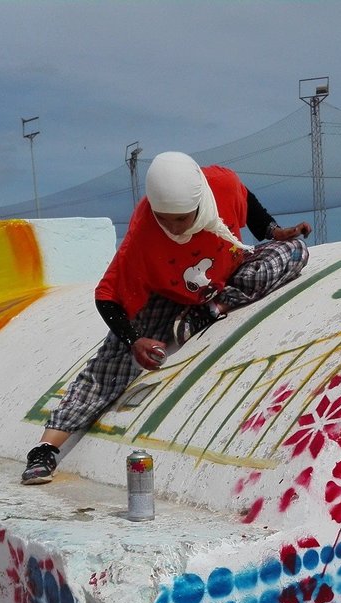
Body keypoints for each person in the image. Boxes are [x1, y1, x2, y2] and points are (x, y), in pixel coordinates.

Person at [20, 151, 312, 485]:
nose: (173, 228)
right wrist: (134, 340)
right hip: (168, 295)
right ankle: (44, 450)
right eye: (165, 218)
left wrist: (274, 232)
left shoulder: (222, 184)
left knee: (295, 252)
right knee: (111, 364)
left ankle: (211, 310)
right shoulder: (143, 228)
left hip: (228, 276)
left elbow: (246, 200)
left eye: (182, 218)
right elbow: (108, 296)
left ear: (200, 202)